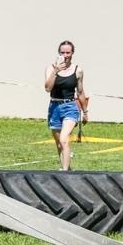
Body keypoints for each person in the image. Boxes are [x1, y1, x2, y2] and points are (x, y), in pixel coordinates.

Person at [44, 40, 86, 170]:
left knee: (64, 139)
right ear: (59, 53)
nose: (65, 55)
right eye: (62, 52)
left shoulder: (78, 70)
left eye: (68, 52)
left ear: (72, 53)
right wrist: (55, 72)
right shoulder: (51, 69)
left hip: (70, 107)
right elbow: (47, 88)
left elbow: (80, 92)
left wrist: (85, 112)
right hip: (54, 107)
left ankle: (65, 173)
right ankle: (67, 168)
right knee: (59, 144)